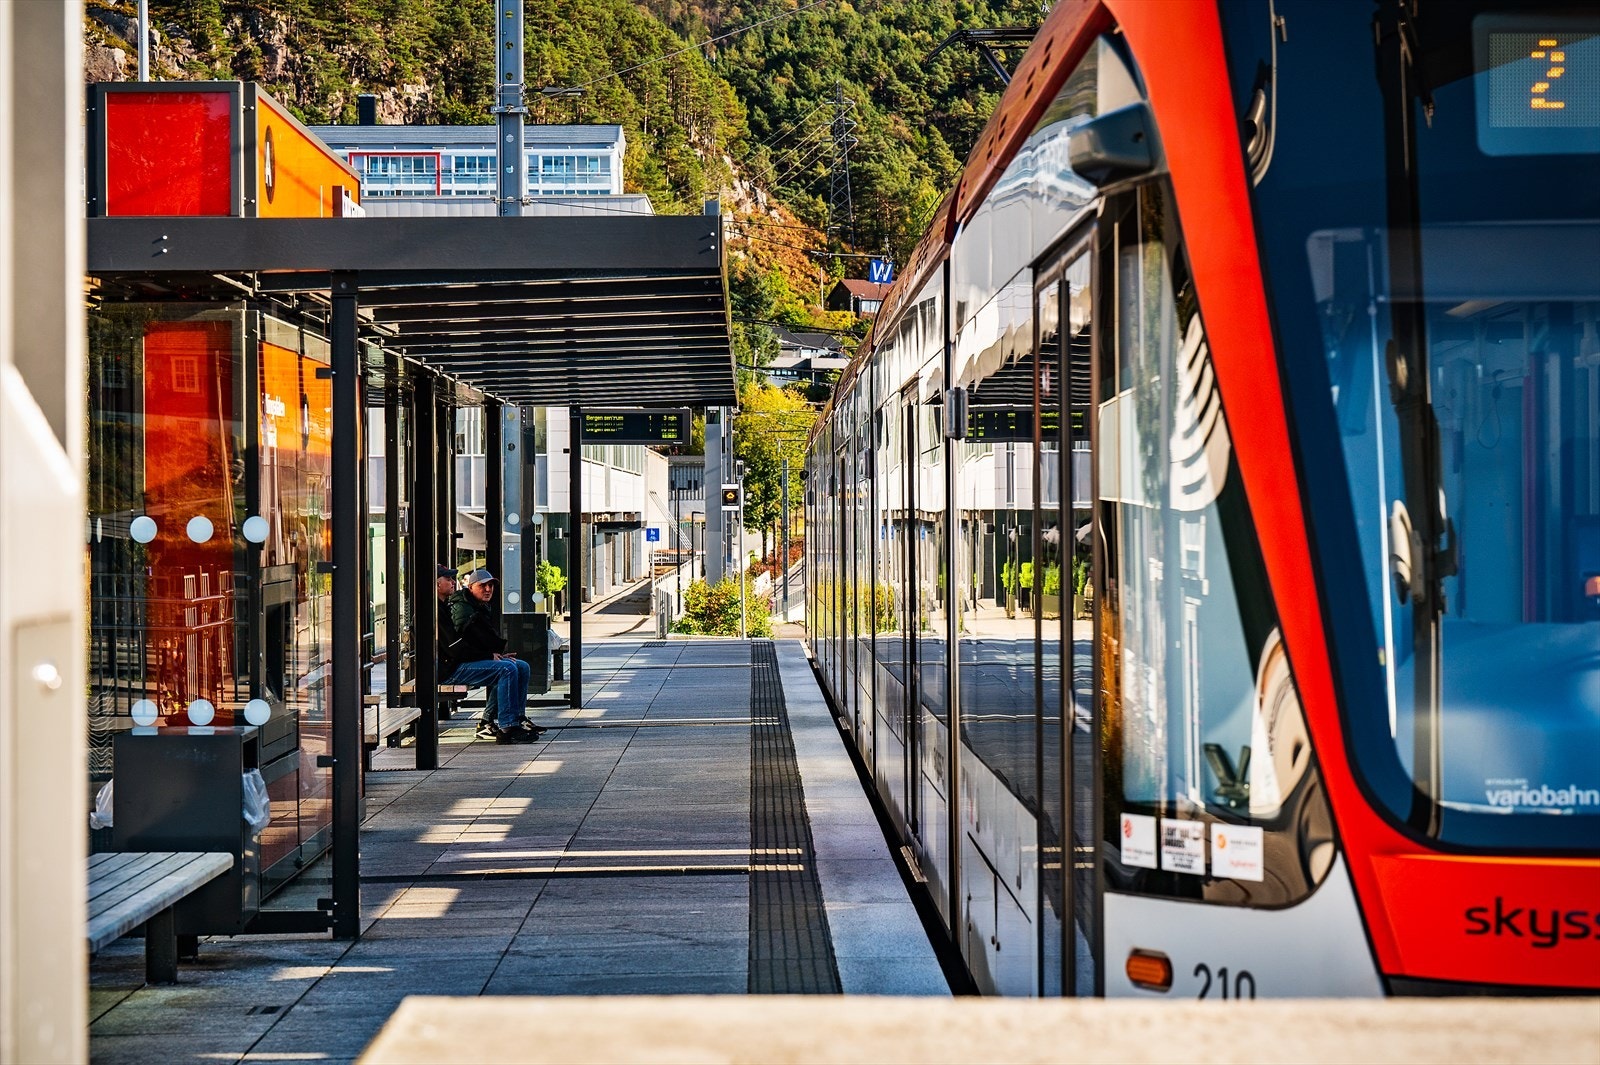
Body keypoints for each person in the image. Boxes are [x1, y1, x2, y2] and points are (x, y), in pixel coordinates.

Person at [446, 567, 547, 743]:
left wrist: (495, 654)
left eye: (491, 586)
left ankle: (512, 718)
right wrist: (489, 655)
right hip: (454, 666)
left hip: (466, 660)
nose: (488, 590)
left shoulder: (478, 606)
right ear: (470, 587)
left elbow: (479, 640)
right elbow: (459, 646)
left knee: (520, 666)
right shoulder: (462, 609)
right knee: (506, 669)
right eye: (483, 586)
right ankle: (507, 727)